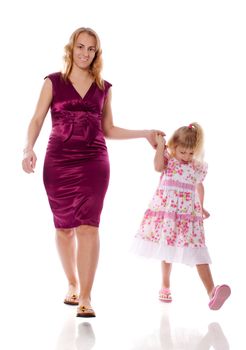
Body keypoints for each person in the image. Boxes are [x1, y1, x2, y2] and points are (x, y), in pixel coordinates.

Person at [22, 27, 164, 318]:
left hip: (93, 161)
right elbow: (37, 119)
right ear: (70, 49)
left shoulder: (104, 87)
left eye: (91, 49)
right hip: (58, 161)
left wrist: (145, 133)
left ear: (96, 53)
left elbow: (108, 129)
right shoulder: (53, 82)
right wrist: (28, 148)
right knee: (63, 228)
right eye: (80, 47)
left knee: (88, 226)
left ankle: (86, 296)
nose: (85, 53)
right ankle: (72, 283)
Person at [132, 122, 231, 310]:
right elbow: (157, 167)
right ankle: (165, 285)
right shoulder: (169, 160)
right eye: (182, 152)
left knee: (198, 250)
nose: (186, 157)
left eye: (191, 153)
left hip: (188, 215)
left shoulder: (197, 167)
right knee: (166, 249)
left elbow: (199, 187)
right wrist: (161, 147)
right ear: (174, 146)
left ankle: (212, 292)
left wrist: (201, 207)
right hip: (168, 213)